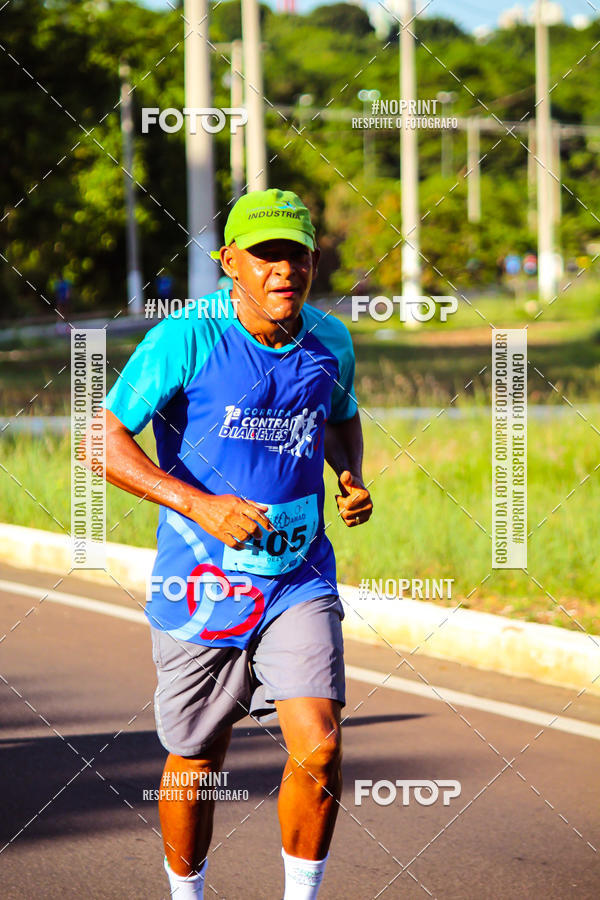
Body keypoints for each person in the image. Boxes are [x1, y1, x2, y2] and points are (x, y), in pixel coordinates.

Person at [100, 188, 373, 899]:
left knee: (321, 743)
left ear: (315, 260)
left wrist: (350, 474)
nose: (284, 270)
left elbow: (340, 415)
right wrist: (202, 505)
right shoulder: (184, 336)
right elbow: (102, 444)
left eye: (298, 255)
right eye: (266, 255)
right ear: (231, 263)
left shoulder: (330, 340)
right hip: (203, 584)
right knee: (196, 756)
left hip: (298, 575)